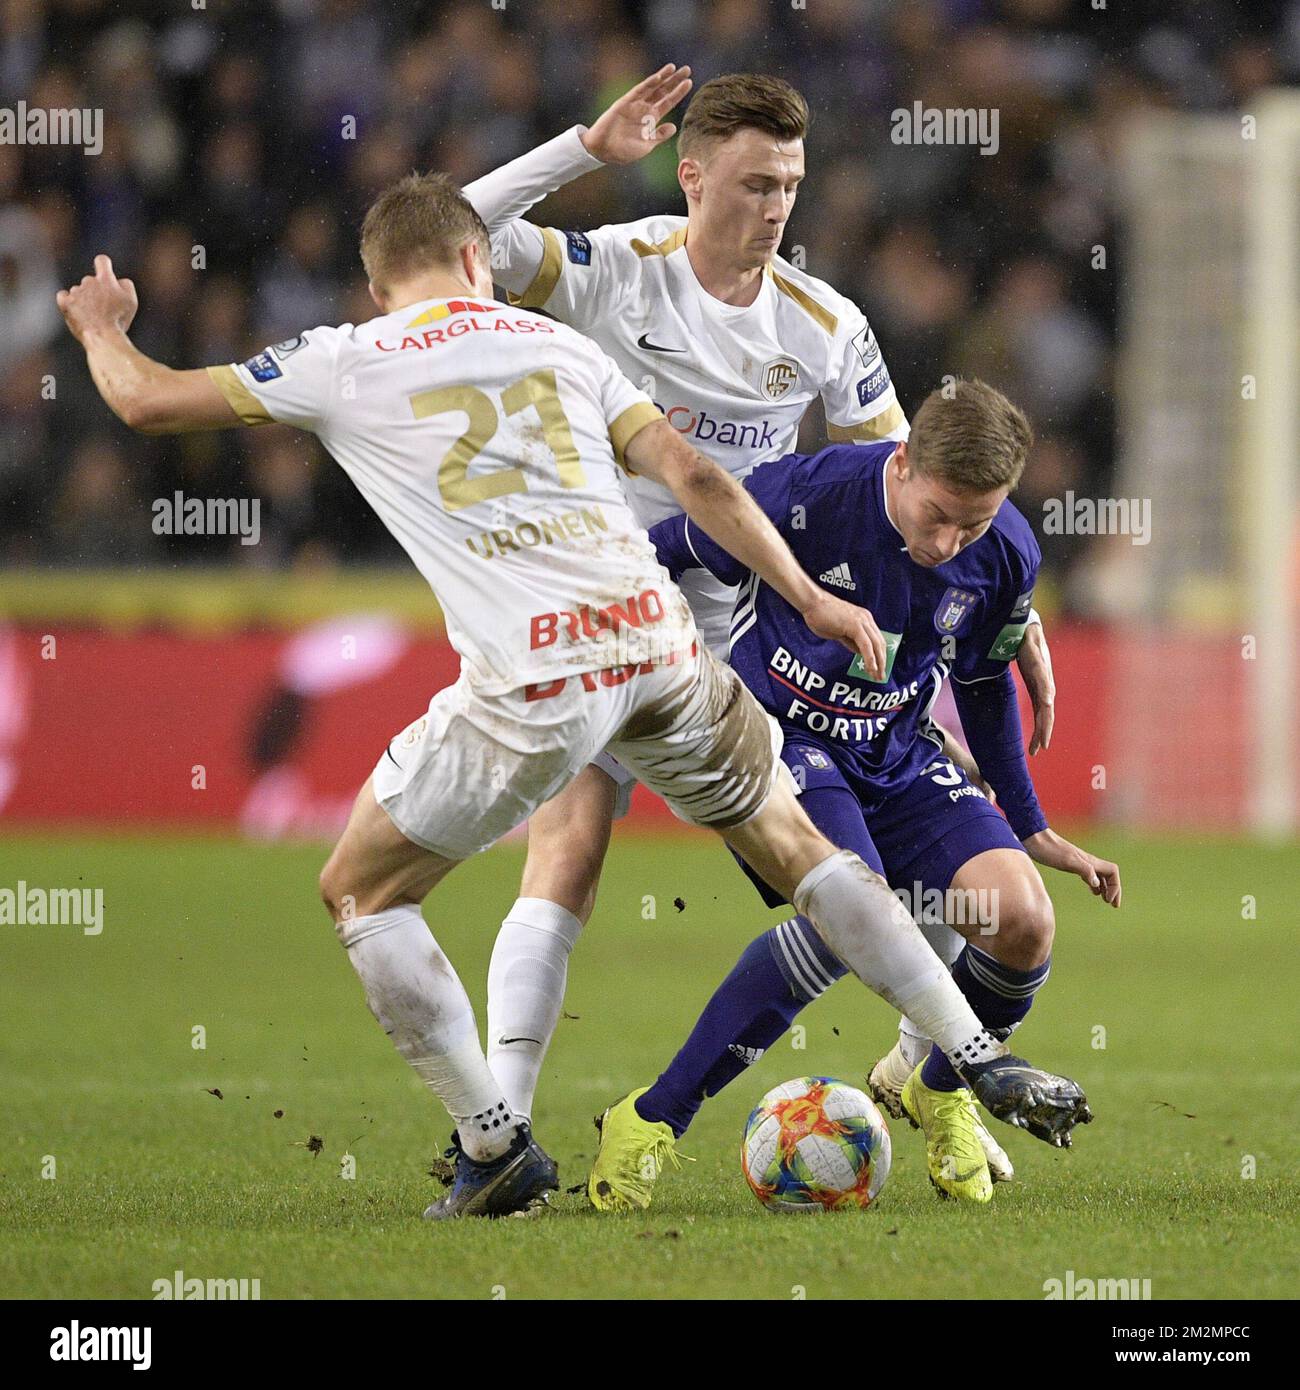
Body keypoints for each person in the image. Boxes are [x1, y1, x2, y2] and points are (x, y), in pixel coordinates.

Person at [56, 178, 1089, 1219]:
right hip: (663, 646)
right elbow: (700, 479)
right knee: (806, 854)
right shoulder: (563, 349)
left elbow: (144, 397)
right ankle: (968, 1048)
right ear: (477, 261)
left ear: (377, 289)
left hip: (538, 679)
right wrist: (809, 596)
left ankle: (493, 1138)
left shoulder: (344, 356)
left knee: (363, 888)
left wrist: (102, 328)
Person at [460, 67, 1059, 1132]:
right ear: (689, 177)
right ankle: (499, 1126)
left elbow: (922, 512)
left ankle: (923, 1077)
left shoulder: (825, 323)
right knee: (567, 858)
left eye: (788, 183)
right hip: (598, 611)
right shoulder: (614, 271)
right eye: (750, 183)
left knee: (872, 892)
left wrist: (1010, 623)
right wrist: (580, 153)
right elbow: (453, 234)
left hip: (737, 655)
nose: (774, 206)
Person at [587, 379, 1120, 1210]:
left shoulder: (1007, 548)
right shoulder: (802, 498)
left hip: (900, 750)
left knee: (1022, 921)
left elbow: (981, 681)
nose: (950, 543)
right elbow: (663, 552)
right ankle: (651, 1118)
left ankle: (935, 1089)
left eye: (973, 523)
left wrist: (1032, 825)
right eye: (938, 515)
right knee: (848, 921)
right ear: (901, 465)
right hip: (785, 743)